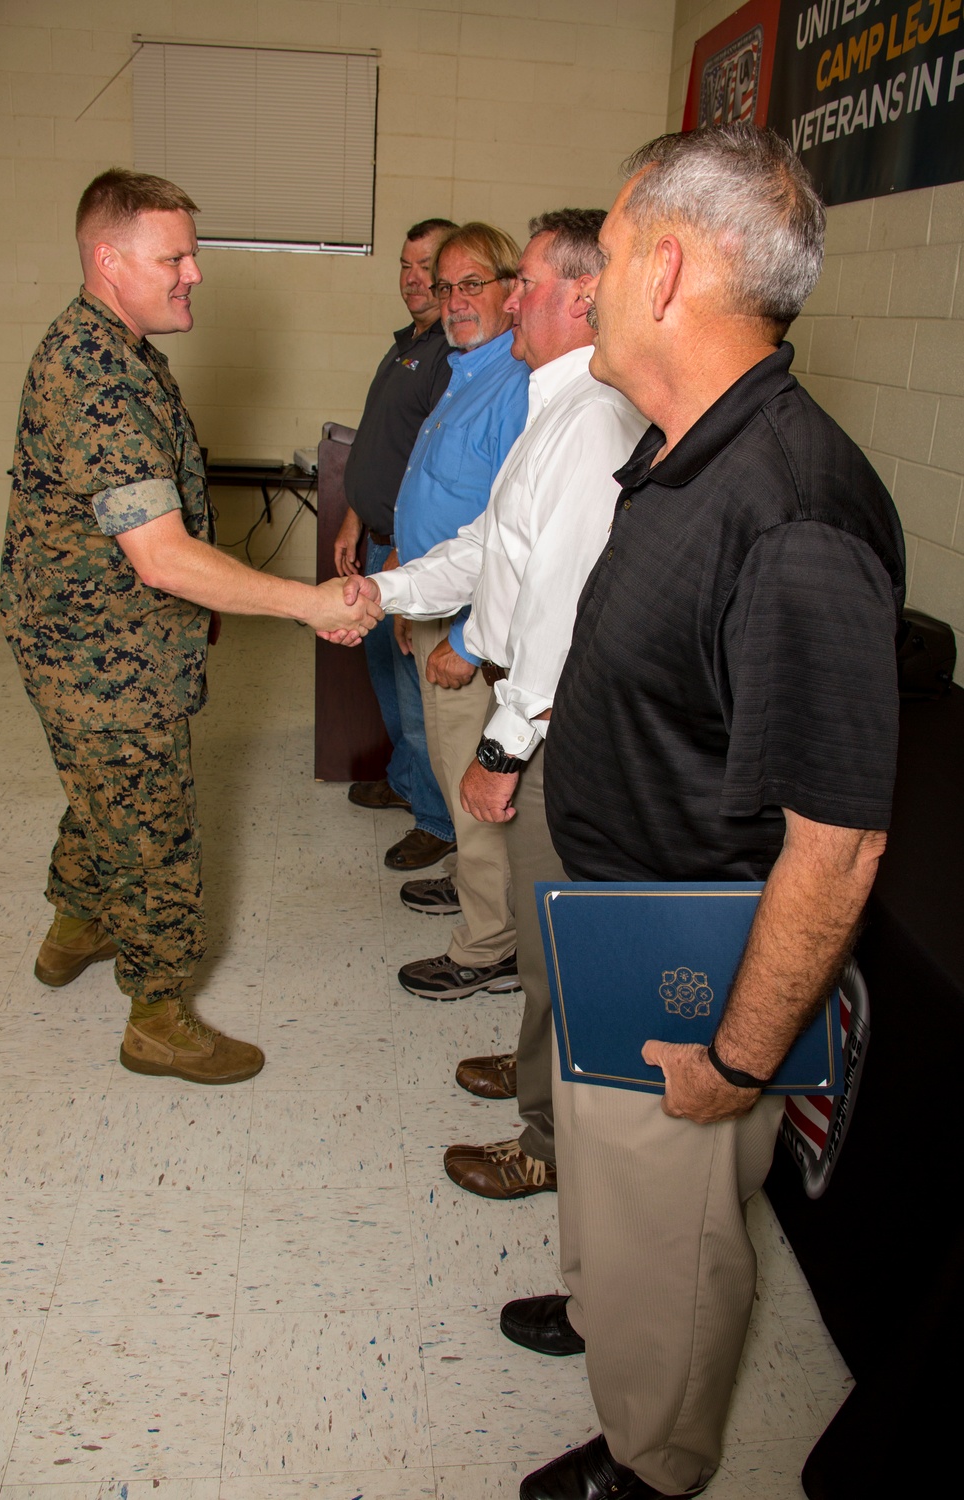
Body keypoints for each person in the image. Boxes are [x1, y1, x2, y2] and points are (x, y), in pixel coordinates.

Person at [504, 126, 905, 1500]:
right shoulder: (690, 447)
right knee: (617, 1212)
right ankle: (610, 1309)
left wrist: (737, 1058)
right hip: (611, 916)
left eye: (605, 256)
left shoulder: (794, 511)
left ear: (666, 267)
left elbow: (837, 843)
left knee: (670, 1229)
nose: (590, 283)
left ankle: (654, 1454)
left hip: (685, 960)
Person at [0, 167, 380, 1088]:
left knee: (105, 791)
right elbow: (161, 557)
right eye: (175, 256)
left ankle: (75, 923)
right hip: (101, 652)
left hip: (93, 635)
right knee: (156, 824)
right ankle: (159, 1016)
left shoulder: (117, 349)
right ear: (109, 258)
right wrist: (306, 603)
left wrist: (200, 607)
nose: (194, 274)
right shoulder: (97, 373)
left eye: (192, 256)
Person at [340, 210, 647, 1195]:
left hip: (551, 719)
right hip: (524, 696)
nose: (507, 298)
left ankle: (549, 1145)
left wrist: (503, 748)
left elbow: (554, 606)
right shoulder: (555, 403)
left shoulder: (592, 420)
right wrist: (383, 591)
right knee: (535, 918)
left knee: (557, 938)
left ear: (583, 297)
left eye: (526, 283)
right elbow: (490, 548)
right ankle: (531, 1083)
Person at [359, 222, 531, 1002]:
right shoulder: (466, 371)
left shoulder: (519, 386)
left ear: (511, 291)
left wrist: (462, 637)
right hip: (433, 603)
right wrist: (405, 582)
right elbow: (437, 498)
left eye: (473, 285)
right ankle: (474, 892)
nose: (455, 300)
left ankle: (488, 945)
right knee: (446, 769)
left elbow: (515, 542)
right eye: (448, 286)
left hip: (474, 627)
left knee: (477, 783)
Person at [333, 218, 460, 873]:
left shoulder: (450, 354)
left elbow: (430, 466)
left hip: (408, 554)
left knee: (419, 701)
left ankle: (437, 822)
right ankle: (408, 781)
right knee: (386, 677)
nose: (414, 278)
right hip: (379, 541)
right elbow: (381, 445)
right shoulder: (404, 346)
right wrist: (355, 520)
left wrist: (402, 550)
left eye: (427, 266)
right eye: (405, 266)